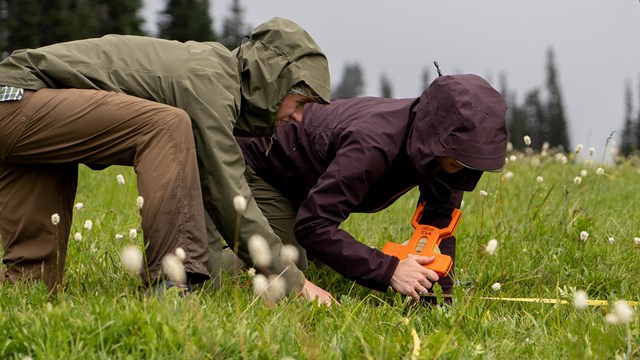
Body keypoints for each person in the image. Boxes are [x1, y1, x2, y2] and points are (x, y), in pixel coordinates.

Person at [0, 17, 334, 303]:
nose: (300, 118)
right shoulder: (210, 81)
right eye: (300, 103)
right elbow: (229, 194)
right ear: (275, 77)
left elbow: (207, 196)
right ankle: (169, 286)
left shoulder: (214, 78)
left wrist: (220, 277)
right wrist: (293, 281)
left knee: (32, 284)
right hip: (19, 97)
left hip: (25, 110)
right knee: (169, 125)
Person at [224, 73, 508, 301]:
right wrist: (390, 271)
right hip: (263, 163)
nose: (467, 170)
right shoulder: (374, 144)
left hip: (306, 181)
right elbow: (313, 224)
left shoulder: (443, 152)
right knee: (286, 265)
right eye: (461, 160)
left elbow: (437, 223)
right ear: (437, 139)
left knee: (319, 259)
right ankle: (200, 254)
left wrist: (438, 294)